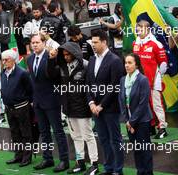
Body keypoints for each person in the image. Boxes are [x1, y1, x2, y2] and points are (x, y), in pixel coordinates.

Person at [47, 41, 99, 174]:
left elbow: (91, 87)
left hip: (82, 108)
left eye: (68, 55)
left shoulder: (86, 66)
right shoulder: (63, 67)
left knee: (88, 136)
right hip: (68, 107)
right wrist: (52, 59)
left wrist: (91, 103)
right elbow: (51, 75)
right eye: (63, 55)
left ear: (75, 54)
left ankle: (94, 164)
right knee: (76, 137)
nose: (65, 57)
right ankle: (80, 162)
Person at [27, 34, 69, 172]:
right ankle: (47, 158)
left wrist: (52, 59)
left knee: (58, 132)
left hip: (52, 100)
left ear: (44, 43)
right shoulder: (30, 59)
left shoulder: (52, 57)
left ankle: (64, 160)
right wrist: (33, 99)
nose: (35, 45)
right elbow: (33, 81)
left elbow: (55, 76)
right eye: (32, 42)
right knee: (44, 132)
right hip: (38, 101)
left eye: (37, 42)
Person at [86, 29, 124, 175]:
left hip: (110, 108)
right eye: (92, 42)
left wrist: (101, 105)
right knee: (103, 139)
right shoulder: (92, 60)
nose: (93, 45)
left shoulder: (114, 60)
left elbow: (115, 87)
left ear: (104, 42)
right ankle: (108, 168)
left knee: (115, 140)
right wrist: (91, 104)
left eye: (95, 42)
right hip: (95, 108)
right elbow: (88, 84)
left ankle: (118, 170)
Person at [119, 53, 153, 175]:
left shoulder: (142, 80)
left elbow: (143, 104)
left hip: (142, 121)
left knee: (145, 149)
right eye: (125, 63)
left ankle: (148, 172)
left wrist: (132, 121)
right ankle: (140, 171)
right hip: (129, 122)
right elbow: (121, 101)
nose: (126, 65)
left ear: (136, 65)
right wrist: (127, 120)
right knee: (137, 149)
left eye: (130, 63)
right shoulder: (123, 80)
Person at [133, 20, 168, 139]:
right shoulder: (135, 43)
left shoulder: (156, 44)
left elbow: (163, 64)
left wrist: (157, 77)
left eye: (141, 28)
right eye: (137, 28)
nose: (138, 30)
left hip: (154, 80)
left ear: (147, 29)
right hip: (140, 80)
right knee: (145, 104)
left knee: (156, 104)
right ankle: (151, 126)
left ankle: (162, 127)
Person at [1, 49, 33, 167]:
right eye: (3, 60)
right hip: (9, 108)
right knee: (15, 133)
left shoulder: (22, 73)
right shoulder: (3, 73)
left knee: (26, 133)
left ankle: (27, 157)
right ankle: (18, 155)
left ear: (13, 60)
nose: (4, 62)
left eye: (6, 60)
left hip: (21, 107)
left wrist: (28, 102)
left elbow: (30, 90)